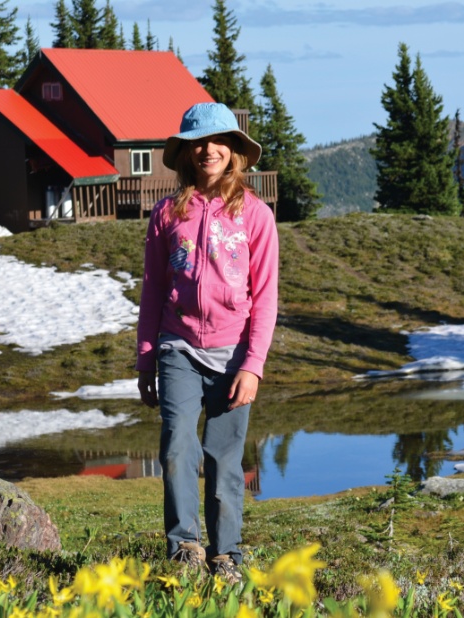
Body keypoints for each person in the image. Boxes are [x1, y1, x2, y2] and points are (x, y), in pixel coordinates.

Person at [136, 102, 279, 583]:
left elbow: (266, 298)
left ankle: (226, 556)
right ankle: (184, 548)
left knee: (224, 458)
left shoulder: (256, 216)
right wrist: (146, 358)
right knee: (177, 446)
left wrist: (253, 365)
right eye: (197, 142)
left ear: (235, 150)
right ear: (185, 153)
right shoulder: (166, 215)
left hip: (235, 353)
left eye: (218, 141)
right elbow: (153, 288)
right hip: (178, 347)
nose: (207, 150)